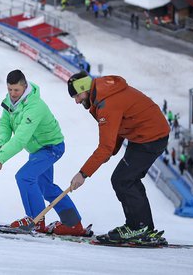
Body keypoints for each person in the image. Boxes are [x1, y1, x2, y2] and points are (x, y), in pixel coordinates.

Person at [67, 71, 169, 245]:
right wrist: (110, 151)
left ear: (84, 88)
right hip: (142, 134)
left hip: (151, 137)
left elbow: (105, 146)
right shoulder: (103, 94)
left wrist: (83, 174)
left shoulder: (106, 103)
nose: (76, 101)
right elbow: (118, 129)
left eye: (77, 95)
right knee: (127, 179)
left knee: (123, 180)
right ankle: (141, 227)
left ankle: (138, 228)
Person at [0, 70, 89, 236]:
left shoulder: (35, 106)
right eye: (10, 90)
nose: (13, 94)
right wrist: (2, 146)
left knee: (24, 176)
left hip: (51, 147)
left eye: (16, 90)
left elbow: (21, 138)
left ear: (25, 87)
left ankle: (35, 220)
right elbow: (4, 125)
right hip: (37, 150)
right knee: (46, 187)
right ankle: (74, 224)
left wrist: (0, 159)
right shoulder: (10, 102)